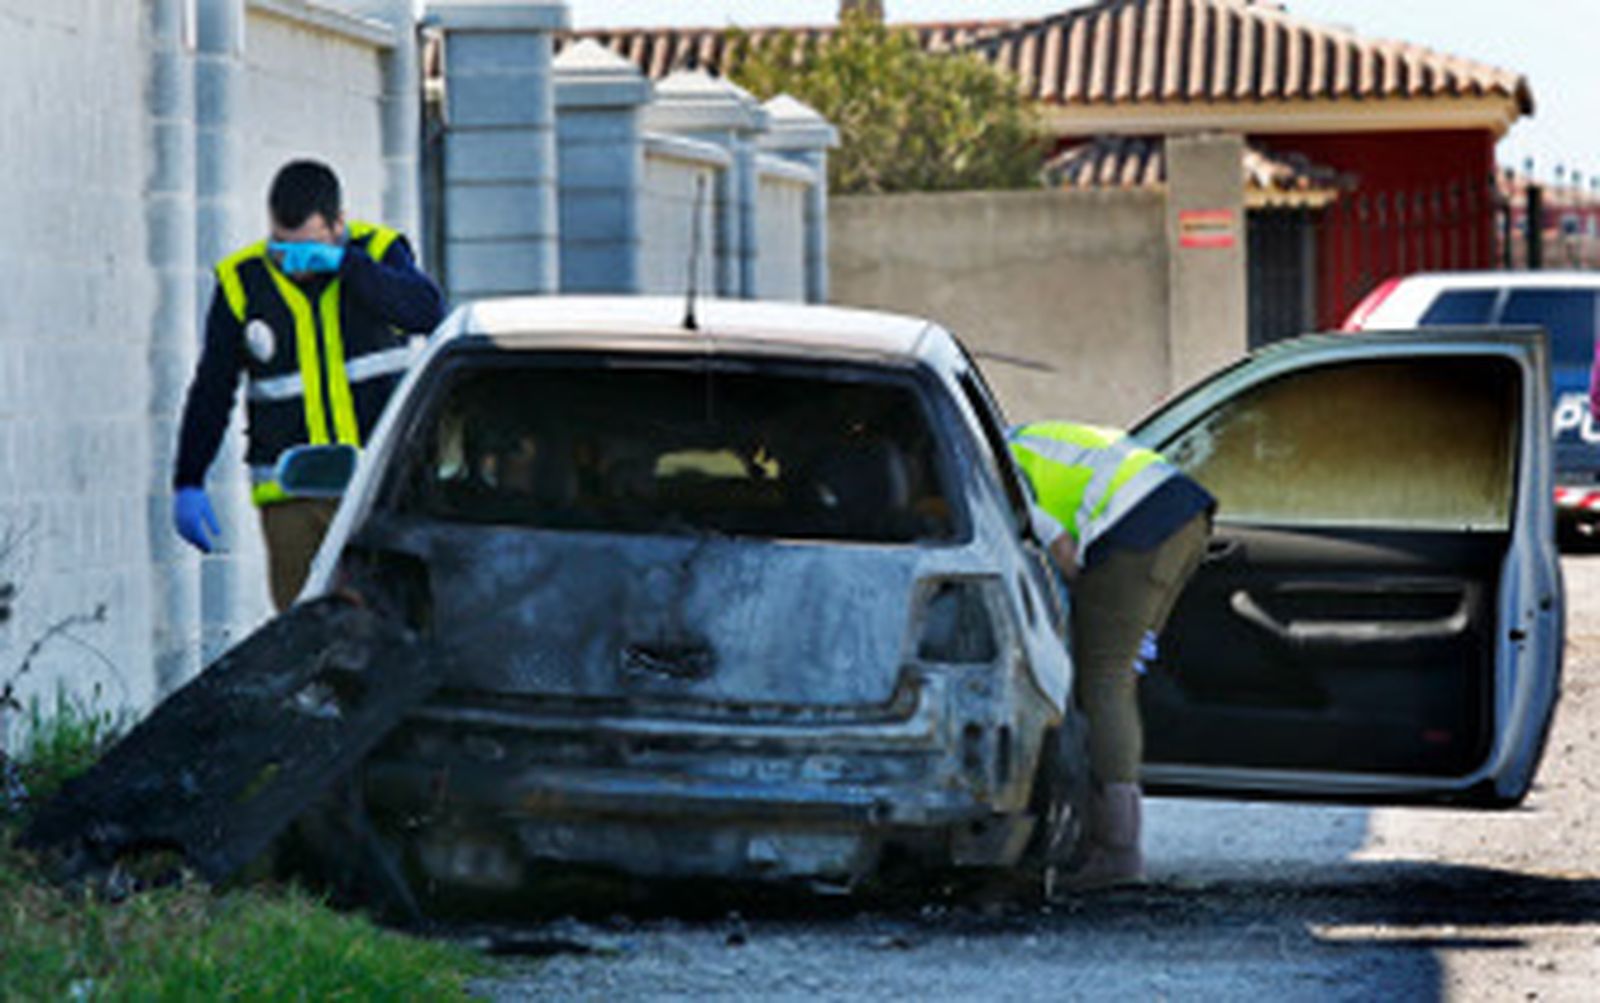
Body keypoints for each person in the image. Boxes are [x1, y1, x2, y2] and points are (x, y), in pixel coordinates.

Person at [172, 159, 446, 610]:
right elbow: (211, 391)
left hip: (378, 488)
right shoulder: (243, 282)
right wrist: (189, 478)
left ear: (339, 226)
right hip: (290, 494)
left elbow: (425, 312)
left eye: (308, 249)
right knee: (304, 631)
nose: (293, 263)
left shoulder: (379, 253)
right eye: (282, 246)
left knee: (385, 623)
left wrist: (346, 266)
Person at [1008, 421, 1215, 891]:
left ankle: (1117, 852)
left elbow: (1060, 547)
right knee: (1118, 676)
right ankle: (1108, 841)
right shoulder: (1022, 440)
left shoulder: (993, 464)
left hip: (1138, 528)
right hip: (1181, 513)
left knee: (1103, 679)